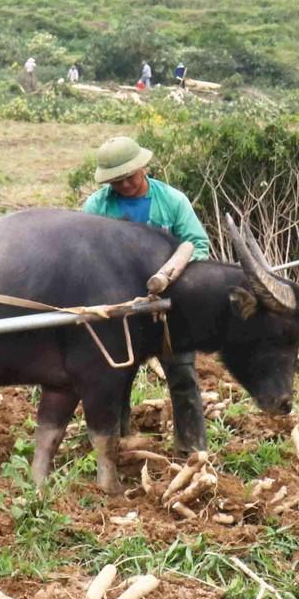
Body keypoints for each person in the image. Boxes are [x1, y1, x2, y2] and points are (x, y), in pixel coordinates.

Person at [81, 135, 212, 454]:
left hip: (167, 305)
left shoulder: (172, 201)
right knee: (115, 377)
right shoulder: (97, 206)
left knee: (181, 373)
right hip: (118, 309)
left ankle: (191, 449)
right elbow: (80, 252)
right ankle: (115, 446)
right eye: (117, 180)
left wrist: (170, 275)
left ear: (143, 167)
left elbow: (198, 244)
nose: (125, 185)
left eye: (130, 177)